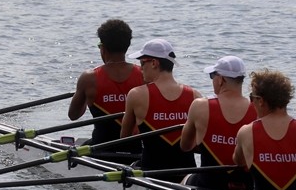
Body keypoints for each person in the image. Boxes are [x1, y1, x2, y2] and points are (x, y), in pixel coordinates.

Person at [179, 55, 257, 190]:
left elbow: (185, 146)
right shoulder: (258, 110)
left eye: (212, 76)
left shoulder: (199, 106)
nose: (212, 80)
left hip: (208, 185)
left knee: (187, 178)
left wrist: (206, 140)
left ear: (220, 80)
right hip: (246, 187)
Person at [119, 38, 202, 170]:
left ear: (154, 63)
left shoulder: (136, 95)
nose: (140, 69)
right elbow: (200, 144)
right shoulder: (195, 96)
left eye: (142, 63)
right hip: (186, 172)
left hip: (151, 173)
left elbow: (124, 139)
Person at [67, 18, 145, 147]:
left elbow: (73, 115)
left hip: (101, 150)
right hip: (137, 150)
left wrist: (86, 95)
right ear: (127, 46)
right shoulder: (143, 75)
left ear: (103, 48)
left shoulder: (89, 78)